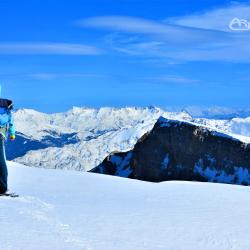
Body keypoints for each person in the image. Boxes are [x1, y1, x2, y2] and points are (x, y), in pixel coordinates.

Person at [0, 98, 15, 194]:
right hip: (1, 135)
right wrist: (12, 133)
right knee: (1, 163)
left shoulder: (6, 109)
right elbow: (11, 123)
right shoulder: (7, 110)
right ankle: (2, 187)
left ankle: (2, 188)